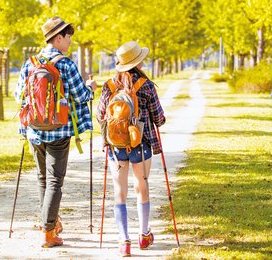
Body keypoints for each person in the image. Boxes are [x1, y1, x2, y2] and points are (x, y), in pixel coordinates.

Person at [14, 16, 97, 248]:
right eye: (68, 37)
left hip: (34, 131)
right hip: (59, 130)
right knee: (55, 182)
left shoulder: (30, 63)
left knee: (43, 179)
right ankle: (49, 231)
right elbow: (81, 97)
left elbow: (19, 96)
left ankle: (50, 222)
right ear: (58, 37)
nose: (70, 41)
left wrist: (25, 127)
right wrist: (91, 88)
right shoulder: (66, 64)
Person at [96, 41, 166, 257]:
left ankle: (123, 240)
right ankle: (144, 235)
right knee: (141, 184)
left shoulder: (109, 86)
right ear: (138, 61)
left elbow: (100, 116)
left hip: (116, 147)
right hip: (141, 143)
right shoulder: (146, 85)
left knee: (120, 189)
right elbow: (159, 118)